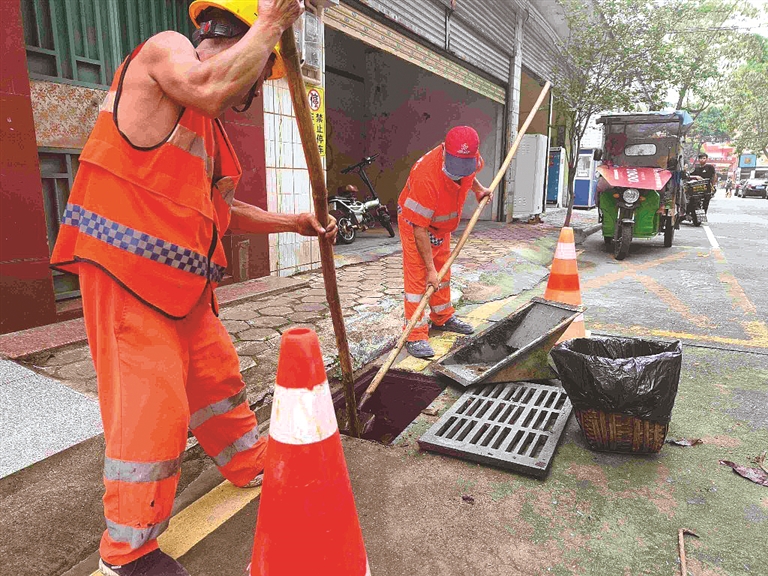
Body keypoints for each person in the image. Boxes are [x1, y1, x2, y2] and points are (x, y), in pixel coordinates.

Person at [49, 1, 336, 574]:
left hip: (183, 290)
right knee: (153, 410)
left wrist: (294, 222)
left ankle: (249, 461)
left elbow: (224, 211)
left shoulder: (212, 131)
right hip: (127, 279)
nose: (244, 93)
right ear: (228, 37)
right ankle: (126, 554)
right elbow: (208, 87)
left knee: (218, 380)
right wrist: (275, 23)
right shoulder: (165, 55)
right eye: (253, 78)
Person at [397, 126, 492, 359]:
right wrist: (430, 269)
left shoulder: (468, 159)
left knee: (443, 273)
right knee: (421, 278)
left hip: (441, 224)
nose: (459, 173)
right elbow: (419, 229)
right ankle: (415, 334)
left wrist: (479, 190)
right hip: (416, 225)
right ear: (444, 152)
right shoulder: (426, 176)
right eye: (455, 168)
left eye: (464, 167)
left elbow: (469, 176)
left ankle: (442, 317)